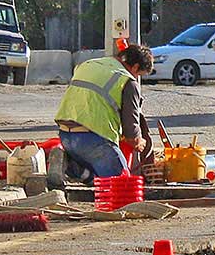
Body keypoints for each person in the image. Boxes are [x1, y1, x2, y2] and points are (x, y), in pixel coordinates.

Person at [52, 44, 154, 182]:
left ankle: (75, 169)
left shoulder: (88, 64)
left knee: (98, 177)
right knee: (121, 182)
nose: (137, 78)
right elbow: (131, 133)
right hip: (94, 140)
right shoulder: (127, 81)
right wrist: (139, 142)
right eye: (139, 74)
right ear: (135, 67)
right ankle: (77, 170)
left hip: (66, 136)